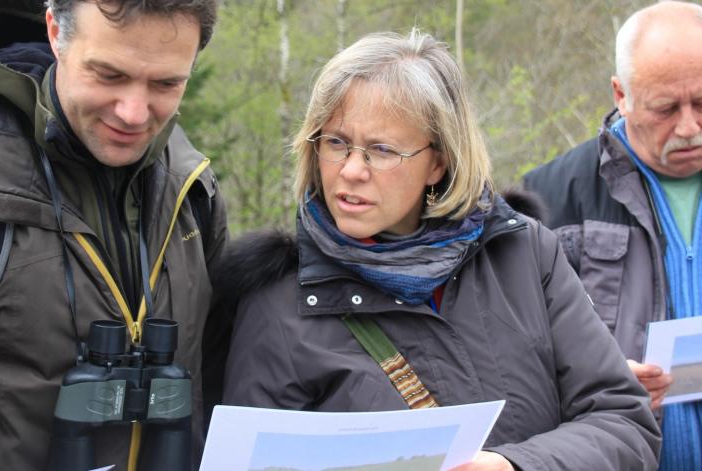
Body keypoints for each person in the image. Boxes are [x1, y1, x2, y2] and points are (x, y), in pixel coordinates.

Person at [214, 29, 660, 470]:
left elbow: (624, 422)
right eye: (335, 142)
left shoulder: (524, 254)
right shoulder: (278, 302)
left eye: (381, 150)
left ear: (439, 161)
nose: (350, 170)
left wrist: (514, 466)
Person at [0, 0, 227, 470]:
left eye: (166, 84)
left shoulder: (192, 188)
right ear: (56, 31)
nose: (134, 113)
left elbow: (225, 385)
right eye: (108, 75)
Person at [523, 2, 702, 468]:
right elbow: (510, 358)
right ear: (621, 94)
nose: (688, 127)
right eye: (666, 108)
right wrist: (592, 381)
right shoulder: (548, 199)